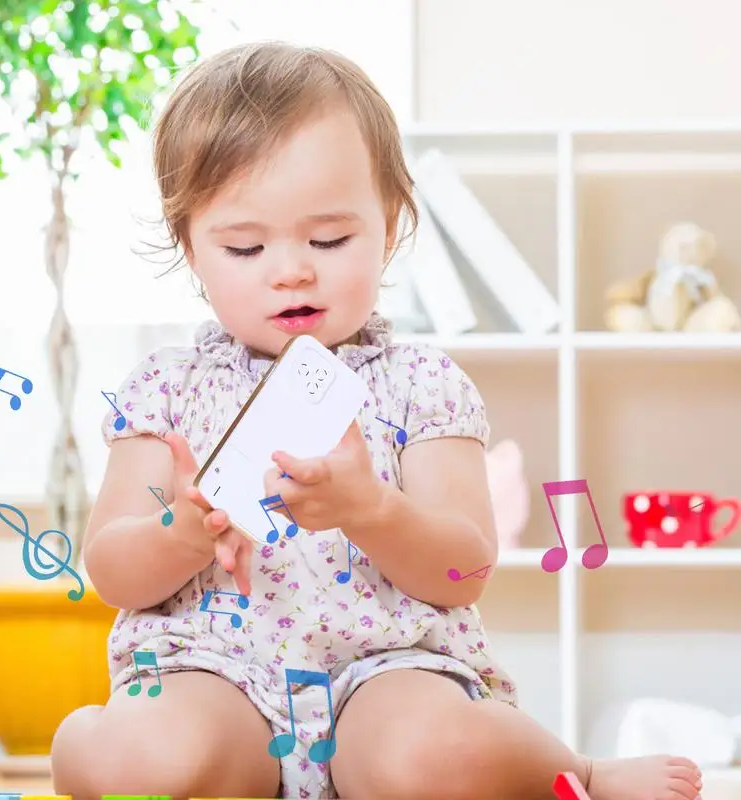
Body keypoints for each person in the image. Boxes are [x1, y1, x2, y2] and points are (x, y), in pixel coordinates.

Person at [50, 41, 703, 800]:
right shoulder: (165, 388)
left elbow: (464, 570)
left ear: (390, 226)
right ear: (191, 248)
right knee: (142, 765)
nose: (292, 267)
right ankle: (106, 741)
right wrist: (184, 532)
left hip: (388, 671)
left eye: (329, 240)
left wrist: (372, 510)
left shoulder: (420, 384)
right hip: (213, 673)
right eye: (245, 245)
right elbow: (110, 569)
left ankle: (577, 770)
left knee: (431, 756)